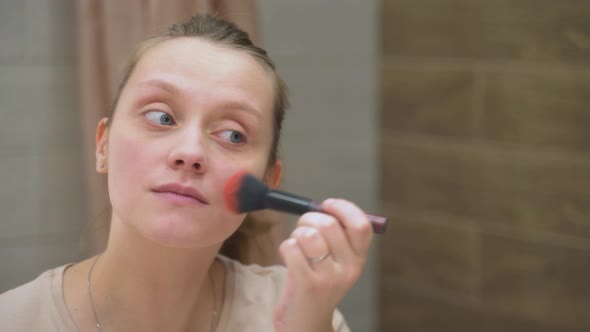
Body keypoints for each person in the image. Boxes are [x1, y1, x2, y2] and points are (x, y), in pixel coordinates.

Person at [0, 14, 374, 332]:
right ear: (103, 145)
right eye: (161, 117)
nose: (190, 153)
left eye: (232, 135)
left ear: (266, 182)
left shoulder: (304, 310)